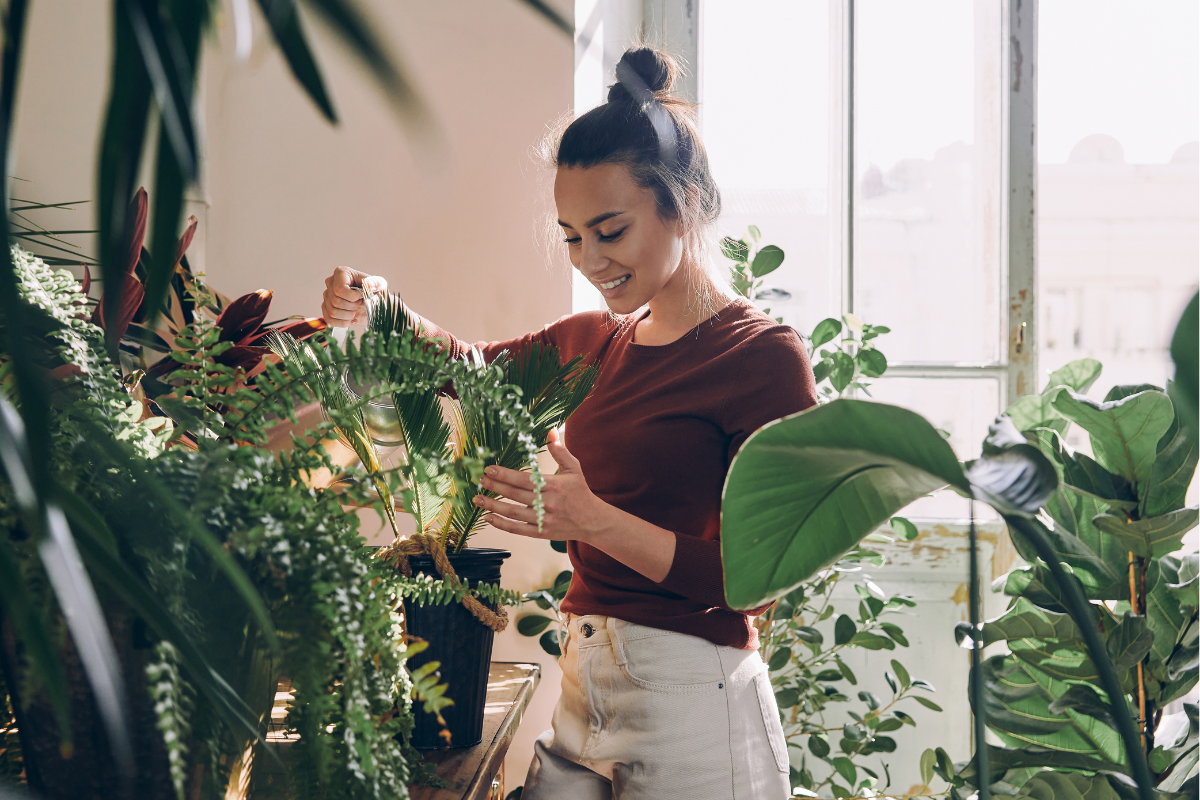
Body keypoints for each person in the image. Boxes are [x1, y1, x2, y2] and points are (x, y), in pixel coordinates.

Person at [321, 46, 816, 800]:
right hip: (586, 688)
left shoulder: (761, 358)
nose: (589, 259)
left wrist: (597, 521)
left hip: (698, 709)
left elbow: (760, 582)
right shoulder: (593, 342)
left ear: (683, 206)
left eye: (610, 231)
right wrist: (377, 305)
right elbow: (469, 367)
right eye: (571, 236)